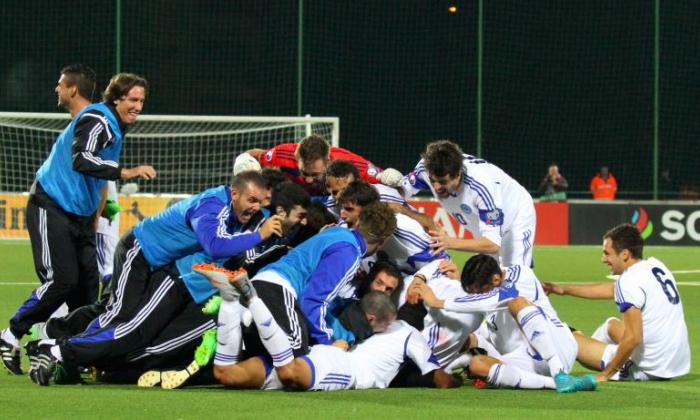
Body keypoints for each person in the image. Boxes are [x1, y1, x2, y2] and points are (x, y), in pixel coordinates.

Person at [0, 68, 156, 375]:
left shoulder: (115, 127)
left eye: (142, 100)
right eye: (133, 99)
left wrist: (95, 217)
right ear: (117, 98)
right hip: (52, 205)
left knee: (87, 293)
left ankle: (57, 350)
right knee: (62, 280)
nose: (138, 106)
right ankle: (11, 334)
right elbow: (82, 159)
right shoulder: (98, 118)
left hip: (81, 218)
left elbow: (94, 180)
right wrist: (125, 172)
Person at [409, 254, 595, 393]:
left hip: (557, 348)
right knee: (477, 364)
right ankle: (555, 383)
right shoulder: (487, 294)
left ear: (496, 280)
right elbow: (481, 300)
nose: (475, 296)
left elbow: (498, 297)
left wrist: (438, 302)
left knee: (517, 302)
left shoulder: (521, 275)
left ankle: (560, 373)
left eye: (478, 291)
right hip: (526, 360)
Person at [543, 223, 690, 382]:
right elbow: (612, 290)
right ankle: (591, 349)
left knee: (567, 339)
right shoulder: (654, 265)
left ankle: (580, 348)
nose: (603, 259)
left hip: (650, 367)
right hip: (673, 359)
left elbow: (633, 338)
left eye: (607, 253)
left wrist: (605, 374)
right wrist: (564, 290)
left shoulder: (628, 282)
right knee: (610, 325)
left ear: (625, 254)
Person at [401, 140, 536, 267]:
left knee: (514, 276)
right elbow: (401, 191)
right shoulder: (426, 168)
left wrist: (449, 242)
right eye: (432, 180)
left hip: (515, 216)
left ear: (458, 173)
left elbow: (493, 244)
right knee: (486, 281)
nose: (436, 188)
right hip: (480, 222)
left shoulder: (482, 188)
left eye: (442, 182)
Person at [244, 134, 384, 195]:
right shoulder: (282, 155)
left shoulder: (351, 165)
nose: (309, 180)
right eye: (304, 173)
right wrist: (242, 162)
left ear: (328, 162)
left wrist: (389, 178)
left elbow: (383, 180)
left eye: (315, 174)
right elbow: (255, 155)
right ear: (296, 157)